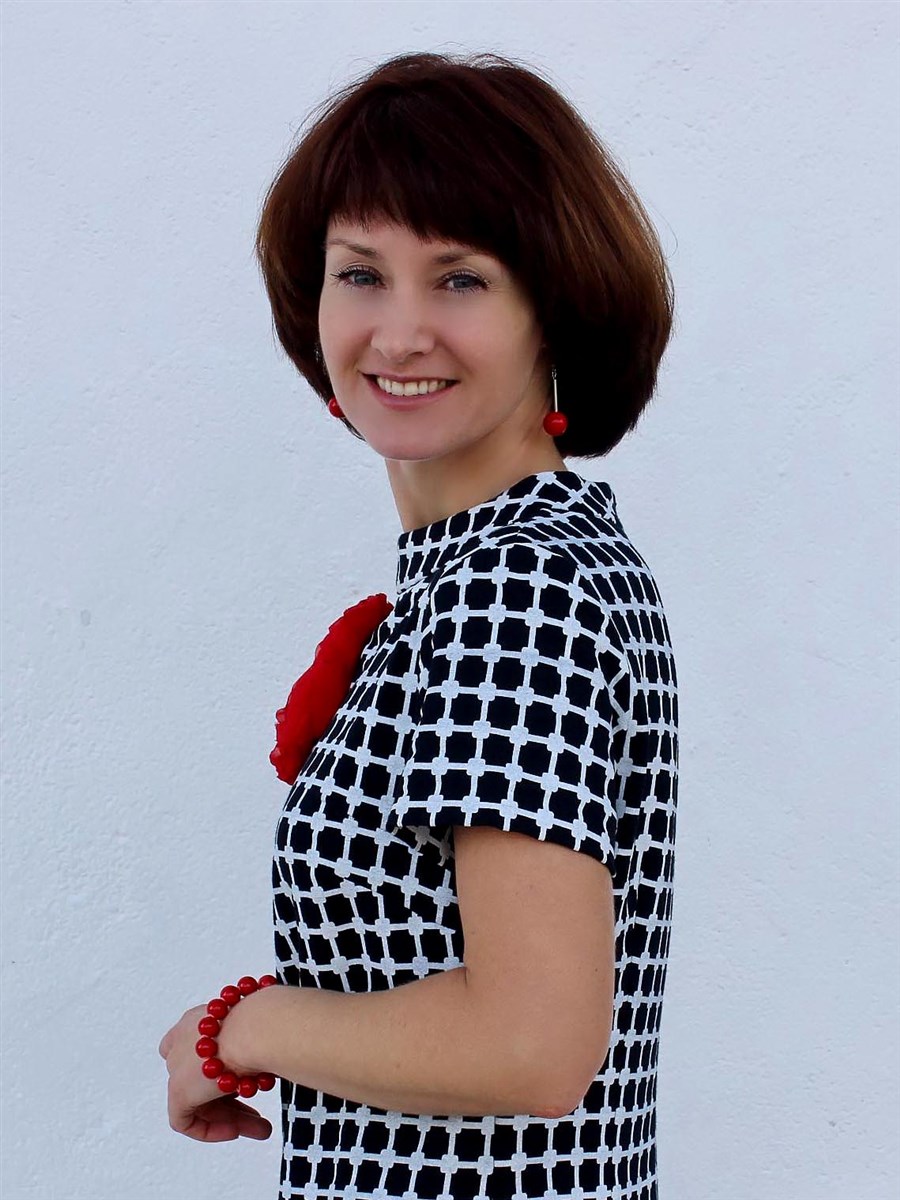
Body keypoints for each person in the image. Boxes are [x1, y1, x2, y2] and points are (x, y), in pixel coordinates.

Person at [159, 50, 678, 1200]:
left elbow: (529, 1045)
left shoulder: (519, 589)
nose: (398, 334)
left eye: (459, 279)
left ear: (555, 307)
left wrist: (238, 1027)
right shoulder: (517, 563)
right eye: (360, 273)